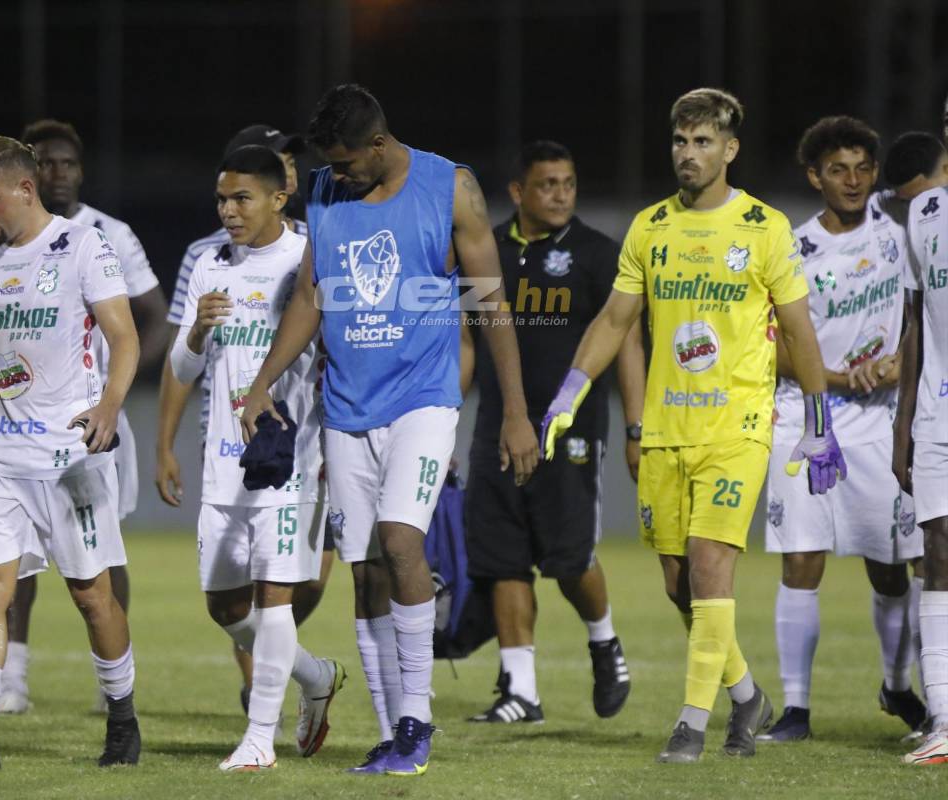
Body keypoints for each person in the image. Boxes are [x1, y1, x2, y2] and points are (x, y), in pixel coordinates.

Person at [240, 84, 539, 776]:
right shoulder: (323, 190)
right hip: (346, 405)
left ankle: (416, 723)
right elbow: (312, 296)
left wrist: (516, 412)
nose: (335, 178)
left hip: (423, 401)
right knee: (366, 569)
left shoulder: (450, 189)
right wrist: (261, 382)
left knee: (403, 541)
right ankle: (389, 729)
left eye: (346, 165)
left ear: (379, 144)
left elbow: (490, 305)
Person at [541, 88, 846, 764]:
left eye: (703, 142)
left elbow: (797, 330)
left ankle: (690, 723)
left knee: (711, 572)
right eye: (681, 141)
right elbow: (616, 322)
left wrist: (819, 422)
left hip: (736, 429)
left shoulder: (763, 228)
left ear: (730, 150)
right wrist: (569, 391)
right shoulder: (650, 227)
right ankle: (746, 699)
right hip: (666, 431)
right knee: (681, 586)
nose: (688, 153)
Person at [0, 136, 141, 770]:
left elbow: (125, 339)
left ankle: (122, 721)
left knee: (92, 596)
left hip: (69, 455)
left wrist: (109, 407)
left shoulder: (80, 247)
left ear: (24, 189)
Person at [170, 145, 344, 772]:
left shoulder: (308, 259)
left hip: (288, 456)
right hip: (223, 461)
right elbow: (183, 368)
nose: (229, 210)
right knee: (225, 607)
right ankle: (316, 675)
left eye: (241, 197)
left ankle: (258, 741)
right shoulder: (208, 264)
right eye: (222, 199)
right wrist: (193, 333)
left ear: (279, 197)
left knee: (275, 599)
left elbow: (337, 354)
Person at [757, 117, 923, 743]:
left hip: (882, 421)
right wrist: (826, 375)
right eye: (837, 170)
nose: (852, 181)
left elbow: (924, 313)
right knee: (802, 560)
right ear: (814, 177)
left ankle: (897, 686)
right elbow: (766, 344)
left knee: (892, 567)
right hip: (807, 419)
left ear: (875, 174)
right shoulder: (791, 249)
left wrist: (897, 362)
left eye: (862, 168)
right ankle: (797, 710)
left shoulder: (902, 235)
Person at [463, 140, 640, 724]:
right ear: (517, 192)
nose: (561, 193)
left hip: (572, 429)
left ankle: (604, 640)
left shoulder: (596, 255)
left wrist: (637, 426)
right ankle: (521, 691)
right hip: (495, 425)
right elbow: (467, 341)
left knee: (569, 558)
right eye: (547, 184)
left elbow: (627, 344)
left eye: (568, 182)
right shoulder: (482, 251)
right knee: (502, 558)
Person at [0, 118, 167, 715]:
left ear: (82, 171)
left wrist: (113, 392)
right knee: (16, 552)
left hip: (95, 426)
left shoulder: (109, 234)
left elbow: (157, 317)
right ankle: (11, 678)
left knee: (104, 553)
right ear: (25, 175)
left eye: (67, 163)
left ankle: (110, 684)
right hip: (22, 425)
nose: (58, 173)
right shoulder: (4, 240)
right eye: (45, 162)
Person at [896, 134, 948, 766]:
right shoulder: (924, 213)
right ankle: (942, 719)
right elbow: (914, 321)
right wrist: (901, 426)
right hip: (936, 412)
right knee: (938, 554)